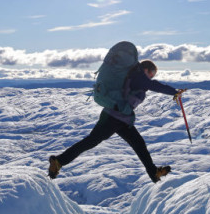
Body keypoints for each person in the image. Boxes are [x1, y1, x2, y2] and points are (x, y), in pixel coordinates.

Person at [48, 59, 185, 183]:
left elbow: (148, 85)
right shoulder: (139, 76)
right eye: (152, 73)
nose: (152, 76)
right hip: (112, 117)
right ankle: (59, 161)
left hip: (122, 118)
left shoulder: (136, 77)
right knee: (91, 141)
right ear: (146, 70)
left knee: (139, 144)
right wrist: (174, 92)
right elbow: (155, 85)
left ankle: (153, 173)